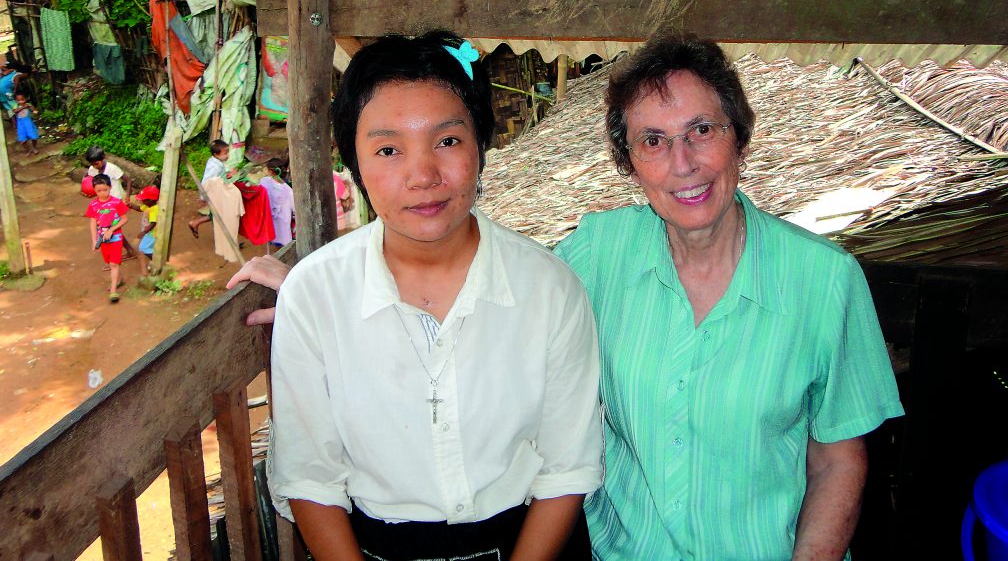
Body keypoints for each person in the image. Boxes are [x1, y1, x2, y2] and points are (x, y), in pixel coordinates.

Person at [231, 31, 903, 559]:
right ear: (628, 159)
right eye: (653, 141)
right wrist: (317, 296)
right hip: (621, 553)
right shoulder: (598, 256)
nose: (683, 163)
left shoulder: (826, 280)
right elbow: (467, 284)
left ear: (739, 136)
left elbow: (840, 453)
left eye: (703, 130)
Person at [253, 31, 602, 560]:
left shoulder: (549, 289)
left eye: (447, 141)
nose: (423, 176)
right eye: (389, 149)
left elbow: (567, 468)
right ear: (355, 163)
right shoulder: (316, 294)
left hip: (530, 543)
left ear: (481, 147)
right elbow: (309, 479)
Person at [85, 145, 137, 260]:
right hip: (102, 202)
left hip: (115, 202)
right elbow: (89, 181)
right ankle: (127, 251)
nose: (95, 166)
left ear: (103, 158)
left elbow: (128, 180)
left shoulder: (112, 168)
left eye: (96, 163)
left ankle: (113, 258)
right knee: (109, 228)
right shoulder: (92, 169)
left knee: (109, 228)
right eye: (92, 164)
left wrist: (127, 197)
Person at [86, 173, 129, 303]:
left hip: (116, 238)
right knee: (109, 262)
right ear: (94, 190)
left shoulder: (116, 202)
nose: (102, 193)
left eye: (105, 190)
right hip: (102, 240)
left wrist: (111, 229)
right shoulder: (93, 205)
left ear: (110, 187)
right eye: (99, 191)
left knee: (113, 264)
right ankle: (119, 279)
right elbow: (93, 223)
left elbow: (124, 219)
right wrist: (94, 241)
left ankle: (113, 291)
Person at [189, 139, 229, 238]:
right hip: (214, 194)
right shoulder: (215, 167)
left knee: (216, 214)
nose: (227, 155)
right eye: (225, 153)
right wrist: (203, 197)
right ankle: (225, 239)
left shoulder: (216, 161)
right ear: (216, 154)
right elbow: (206, 181)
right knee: (220, 215)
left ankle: (195, 223)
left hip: (218, 193)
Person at [260, 158, 295, 248]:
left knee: (274, 237)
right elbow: (294, 209)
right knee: (284, 242)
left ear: (270, 171)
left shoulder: (264, 181)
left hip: (269, 221)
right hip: (284, 224)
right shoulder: (288, 190)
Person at [128, 185, 159, 274]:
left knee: (143, 247)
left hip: (152, 233)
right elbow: (139, 209)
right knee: (150, 247)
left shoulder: (154, 209)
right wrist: (131, 205)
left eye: (144, 199)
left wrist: (144, 232)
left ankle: (157, 262)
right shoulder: (148, 206)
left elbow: (153, 223)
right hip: (149, 232)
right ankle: (155, 260)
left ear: (151, 200)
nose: (142, 201)